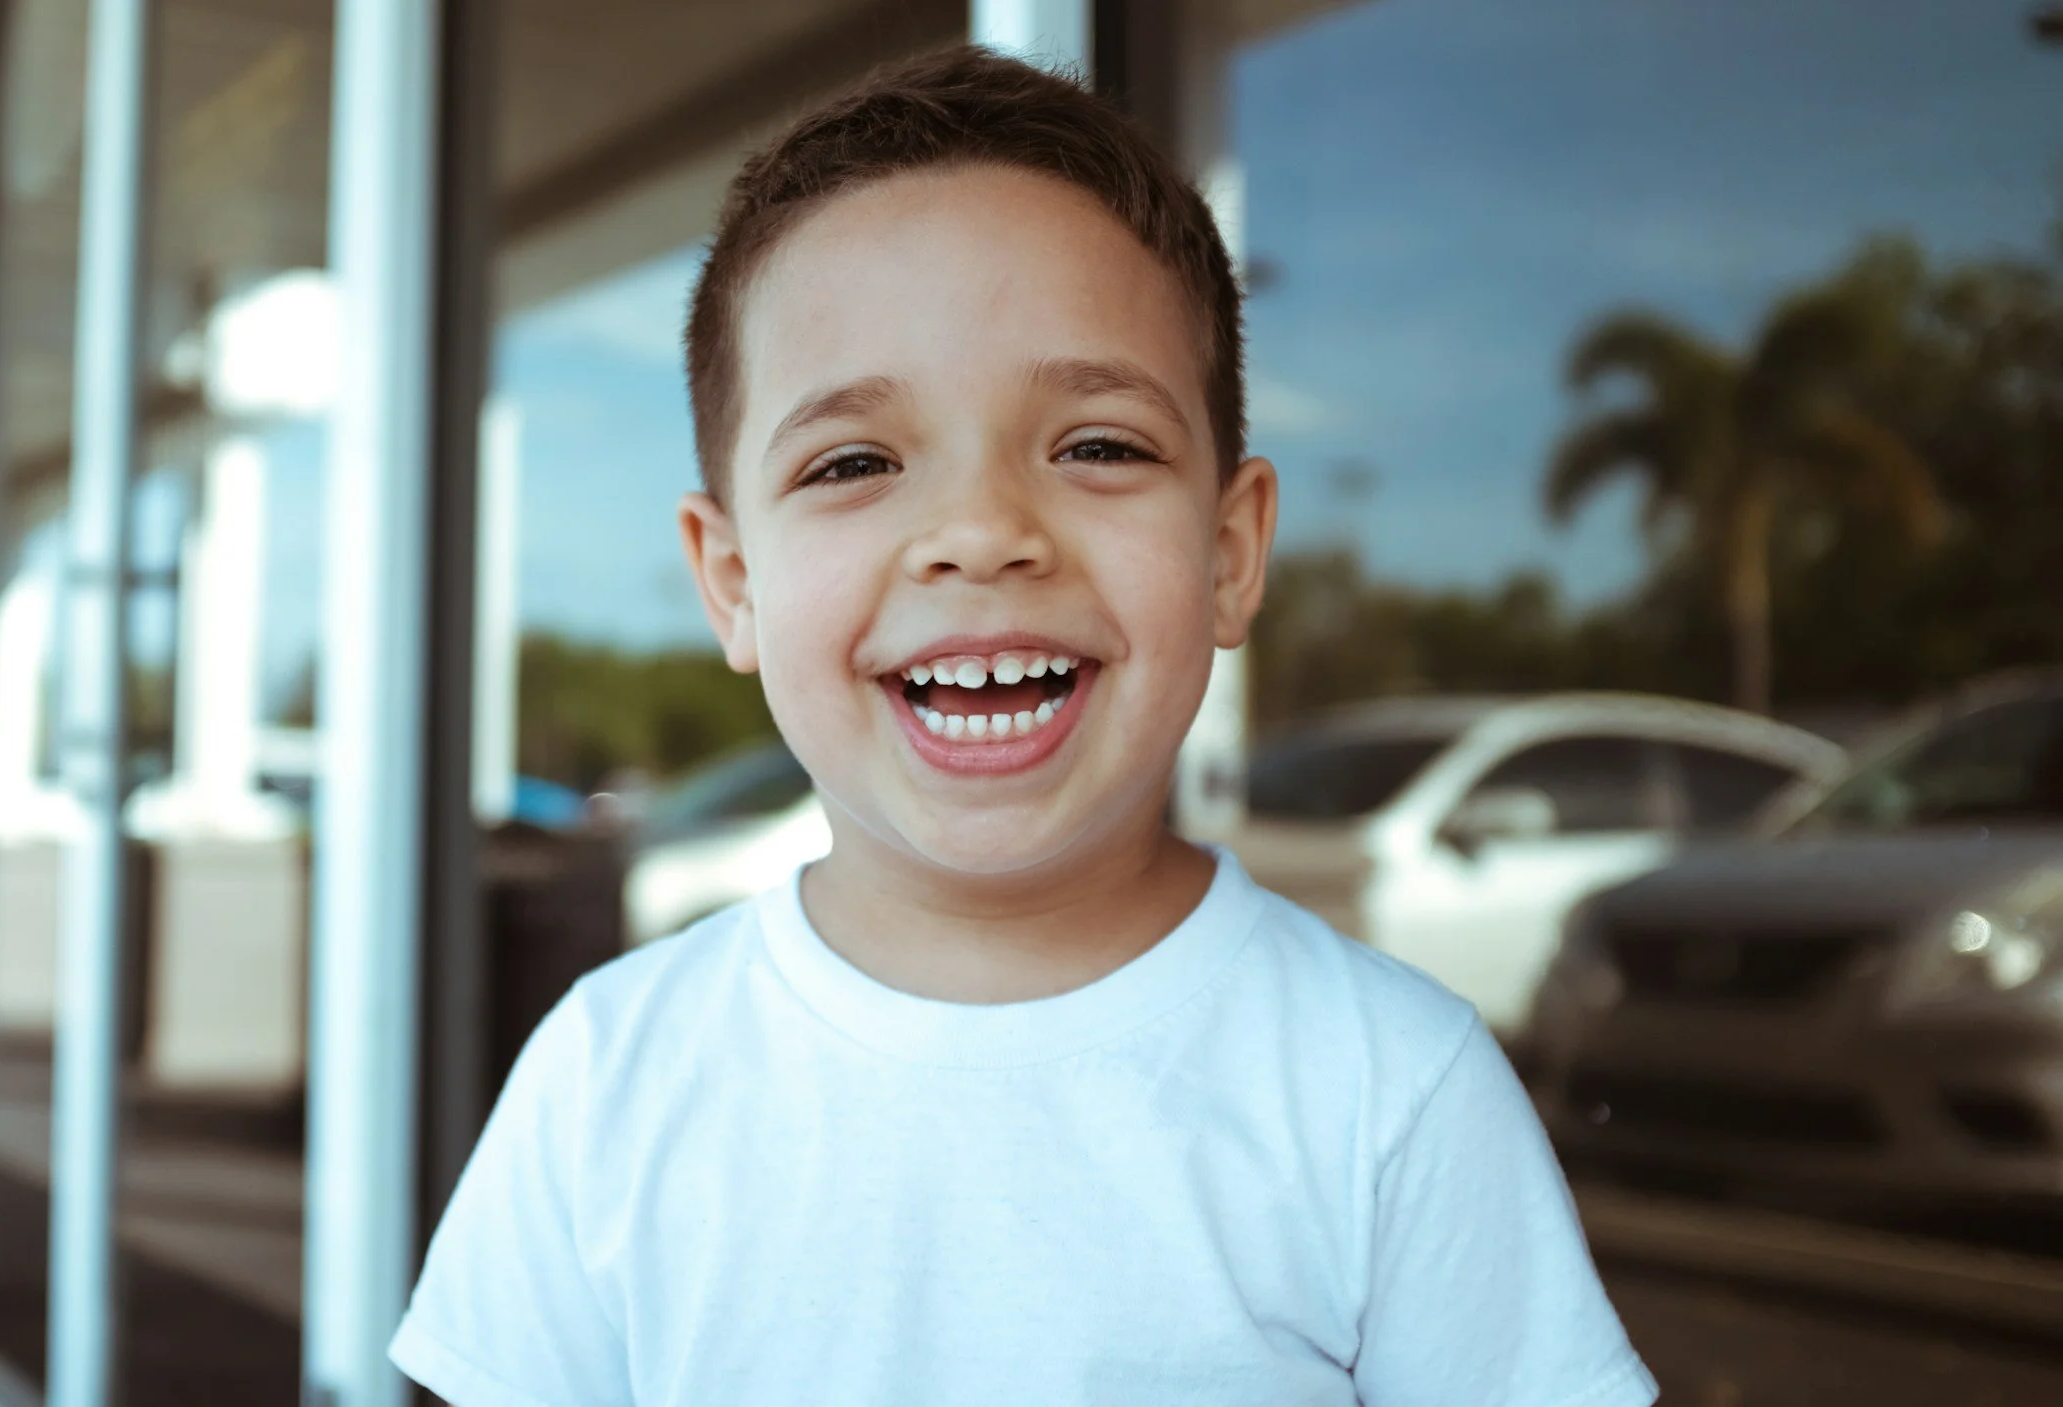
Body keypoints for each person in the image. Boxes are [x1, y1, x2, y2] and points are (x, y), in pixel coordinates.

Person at [393, 45, 1656, 1406]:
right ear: (735, 582)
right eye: (855, 461)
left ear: (1229, 554)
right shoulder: (610, 1076)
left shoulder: (1389, 1086)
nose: (983, 533)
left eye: (1098, 444)